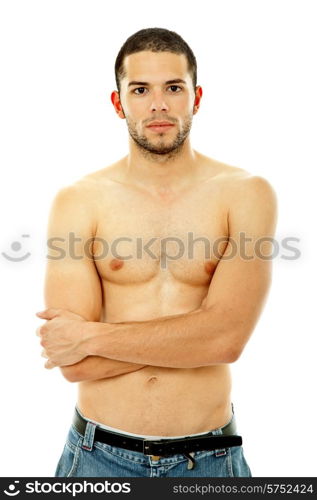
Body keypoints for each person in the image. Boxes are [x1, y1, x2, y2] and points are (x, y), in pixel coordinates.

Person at [36, 27, 277, 477]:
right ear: (118, 102)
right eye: (140, 89)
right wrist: (195, 334)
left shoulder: (246, 194)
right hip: (96, 456)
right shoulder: (79, 201)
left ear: (196, 96)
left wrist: (90, 334)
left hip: (210, 459)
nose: (159, 105)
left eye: (173, 87)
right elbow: (74, 362)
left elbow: (227, 340)